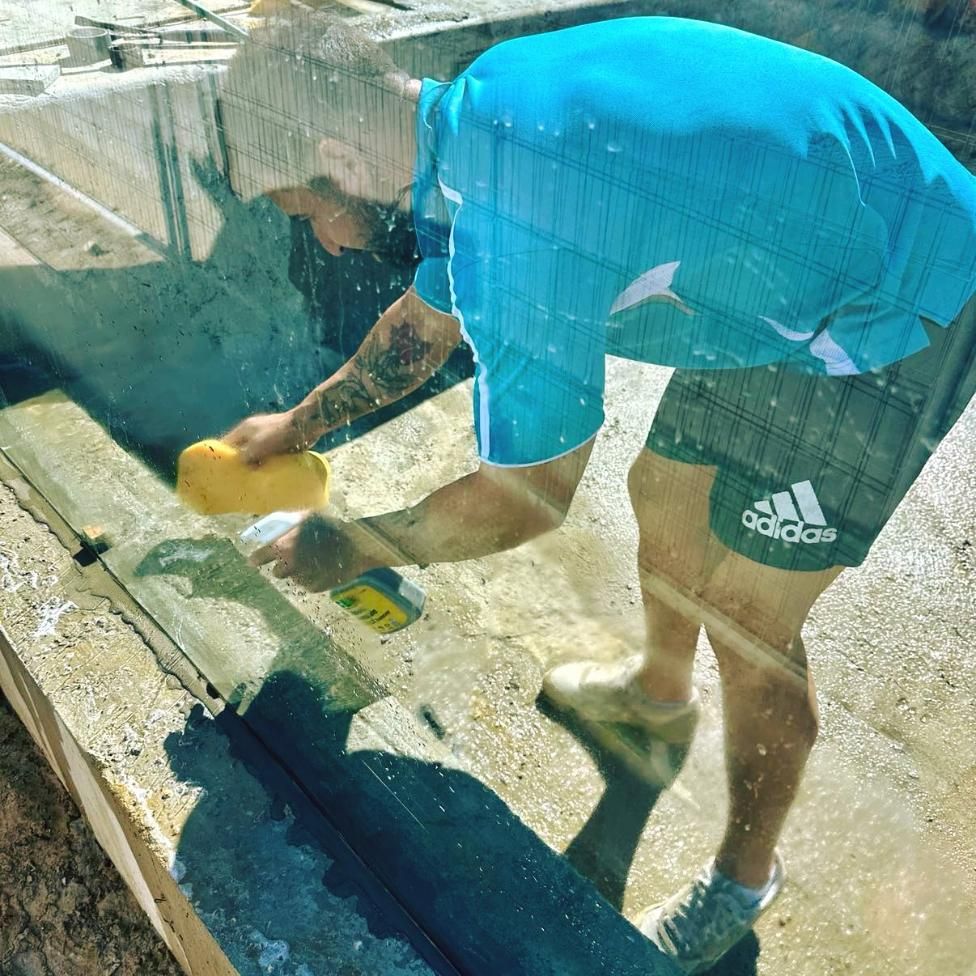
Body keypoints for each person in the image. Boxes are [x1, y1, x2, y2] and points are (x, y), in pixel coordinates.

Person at [217, 13, 976, 973]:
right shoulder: (473, 116)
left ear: (336, 153)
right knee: (666, 495)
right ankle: (658, 702)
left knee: (749, 618)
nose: (324, 244)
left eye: (304, 211)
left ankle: (744, 878)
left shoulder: (514, 217)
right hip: (782, 258)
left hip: (896, 300)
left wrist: (352, 545)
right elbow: (429, 318)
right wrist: (301, 427)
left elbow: (527, 499)